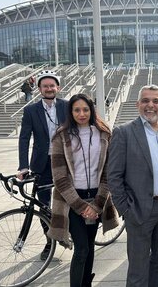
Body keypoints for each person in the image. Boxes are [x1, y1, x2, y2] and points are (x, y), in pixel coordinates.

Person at [108, 84, 158, 287]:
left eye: (155, 101)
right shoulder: (124, 132)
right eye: (145, 100)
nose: (150, 105)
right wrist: (126, 210)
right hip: (140, 209)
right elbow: (114, 176)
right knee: (138, 268)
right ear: (138, 104)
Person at [48, 93, 119, 287]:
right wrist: (80, 206)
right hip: (71, 199)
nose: (81, 114)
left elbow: (108, 172)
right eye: (77, 110)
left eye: (85, 109)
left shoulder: (104, 134)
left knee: (88, 246)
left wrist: (96, 205)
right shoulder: (61, 136)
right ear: (70, 112)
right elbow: (60, 177)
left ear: (91, 110)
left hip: (96, 197)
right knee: (81, 249)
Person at [17, 70, 68, 260]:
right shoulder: (30, 110)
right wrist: (23, 166)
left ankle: (73, 234)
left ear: (58, 88)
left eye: (52, 85)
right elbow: (24, 139)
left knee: (71, 198)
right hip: (42, 163)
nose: (49, 88)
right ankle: (50, 242)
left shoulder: (67, 106)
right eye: (45, 86)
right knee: (43, 204)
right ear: (39, 89)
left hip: (65, 161)